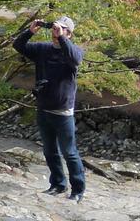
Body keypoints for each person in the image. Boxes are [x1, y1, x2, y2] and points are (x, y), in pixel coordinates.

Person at [13, 16, 86, 203]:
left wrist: (61, 38)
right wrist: (30, 31)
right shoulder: (42, 49)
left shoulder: (73, 51)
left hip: (63, 111)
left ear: (69, 33)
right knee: (49, 150)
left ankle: (78, 190)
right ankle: (58, 184)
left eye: (62, 29)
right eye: (55, 28)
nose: (56, 32)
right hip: (43, 108)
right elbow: (18, 46)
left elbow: (75, 60)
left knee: (69, 152)